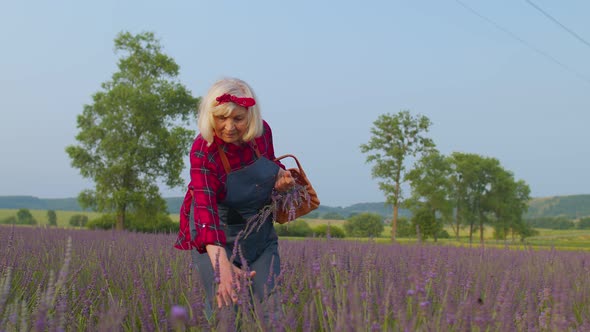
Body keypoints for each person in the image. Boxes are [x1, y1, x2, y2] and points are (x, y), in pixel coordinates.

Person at [174, 77, 294, 314]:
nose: (229, 127)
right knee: (226, 310)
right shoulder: (203, 150)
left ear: (251, 117)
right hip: (215, 232)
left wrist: (280, 182)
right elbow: (205, 209)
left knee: (271, 309)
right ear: (210, 116)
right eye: (221, 118)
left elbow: (266, 173)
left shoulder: (262, 133)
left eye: (238, 118)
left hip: (258, 233)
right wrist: (223, 267)